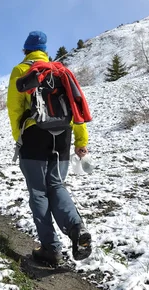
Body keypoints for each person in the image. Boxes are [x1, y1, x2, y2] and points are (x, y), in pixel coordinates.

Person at [6, 31, 92, 266]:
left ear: (26, 50)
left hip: (34, 137)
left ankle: (50, 249)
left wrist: (20, 138)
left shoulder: (22, 70)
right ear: (45, 50)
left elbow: (14, 109)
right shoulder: (59, 71)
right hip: (62, 137)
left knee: (39, 192)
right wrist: (80, 141)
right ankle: (76, 229)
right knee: (56, 185)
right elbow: (75, 108)